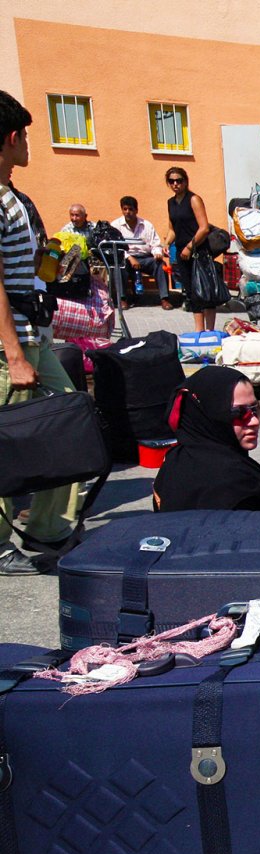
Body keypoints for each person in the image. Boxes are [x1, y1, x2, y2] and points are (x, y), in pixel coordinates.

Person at [0, 89, 85, 576]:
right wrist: (13, 352)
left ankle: (50, 526)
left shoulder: (15, 196)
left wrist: (50, 265)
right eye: (27, 135)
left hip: (35, 330)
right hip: (12, 341)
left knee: (70, 419)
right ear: (11, 137)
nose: (29, 144)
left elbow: (26, 269)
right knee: (7, 441)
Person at [152, 367, 260, 513]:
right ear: (209, 415)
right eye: (239, 413)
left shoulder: (175, 459)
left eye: (254, 409)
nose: (254, 421)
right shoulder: (234, 485)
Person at [162, 167, 219, 332]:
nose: (175, 184)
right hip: (181, 252)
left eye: (179, 180)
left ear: (185, 181)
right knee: (191, 291)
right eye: (171, 181)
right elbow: (172, 229)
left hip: (198, 250)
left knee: (205, 290)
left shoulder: (193, 199)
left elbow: (204, 228)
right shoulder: (170, 203)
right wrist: (166, 243)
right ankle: (198, 330)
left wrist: (190, 246)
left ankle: (210, 330)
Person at [111, 196, 170, 309]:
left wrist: (157, 253)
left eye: (131, 209)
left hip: (145, 257)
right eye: (125, 209)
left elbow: (155, 244)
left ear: (136, 210)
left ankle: (165, 299)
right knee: (118, 266)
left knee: (161, 265)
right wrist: (129, 257)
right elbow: (115, 248)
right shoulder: (116, 225)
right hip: (126, 258)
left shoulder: (146, 225)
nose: (128, 212)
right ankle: (122, 299)